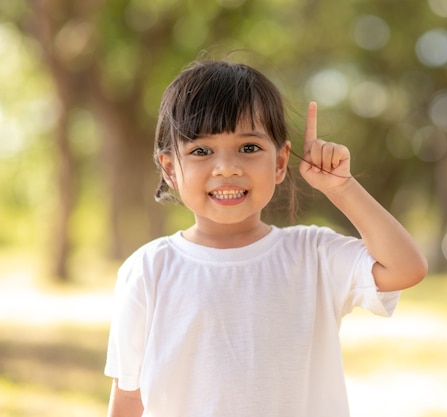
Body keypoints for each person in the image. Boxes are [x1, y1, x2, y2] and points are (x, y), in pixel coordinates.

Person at [104, 58, 428, 417]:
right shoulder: (148, 270)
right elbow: (128, 396)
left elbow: (406, 267)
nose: (227, 167)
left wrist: (342, 188)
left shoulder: (313, 255)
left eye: (248, 148)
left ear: (279, 161)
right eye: (201, 151)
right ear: (169, 169)